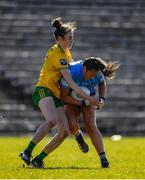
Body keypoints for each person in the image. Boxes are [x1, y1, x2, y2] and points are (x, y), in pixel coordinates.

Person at [19, 18, 100, 169]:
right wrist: (89, 98)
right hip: (44, 89)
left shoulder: (67, 53)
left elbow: (76, 71)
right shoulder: (57, 53)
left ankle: (39, 159)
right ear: (59, 39)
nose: (71, 41)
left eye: (72, 38)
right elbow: (70, 81)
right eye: (69, 38)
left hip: (55, 94)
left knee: (64, 132)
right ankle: (27, 151)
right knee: (51, 121)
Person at [60, 57, 120, 168]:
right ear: (84, 69)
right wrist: (82, 103)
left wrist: (102, 99)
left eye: (94, 75)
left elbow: (102, 84)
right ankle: (78, 136)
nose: (93, 77)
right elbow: (63, 97)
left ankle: (103, 159)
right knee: (71, 125)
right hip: (71, 99)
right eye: (91, 75)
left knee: (91, 125)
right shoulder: (71, 72)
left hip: (89, 98)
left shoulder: (97, 71)